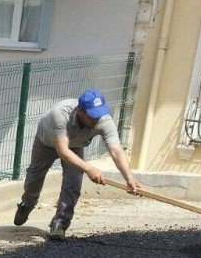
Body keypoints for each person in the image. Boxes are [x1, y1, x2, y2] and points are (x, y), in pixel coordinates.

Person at [15, 89, 140, 240]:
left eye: (99, 114)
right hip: (47, 142)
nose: (97, 119)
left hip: (75, 144)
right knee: (35, 176)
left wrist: (129, 179)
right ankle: (27, 203)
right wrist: (89, 168)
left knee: (73, 182)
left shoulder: (104, 120)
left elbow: (116, 151)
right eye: (92, 115)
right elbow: (63, 151)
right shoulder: (60, 113)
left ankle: (60, 223)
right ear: (80, 111)